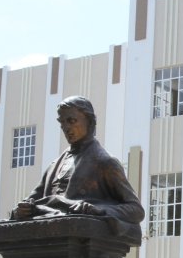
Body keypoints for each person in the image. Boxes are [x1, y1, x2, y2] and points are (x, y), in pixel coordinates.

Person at [9, 96, 144, 229]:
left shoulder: (104, 162)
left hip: (78, 238)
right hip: (47, 232)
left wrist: (98, 210)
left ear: (90, 122)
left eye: (71, 121)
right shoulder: (54, 166)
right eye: (62, 123)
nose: (66, 128)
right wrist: (20, 211)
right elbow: (30, 201)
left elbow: (136, 209)